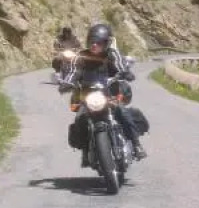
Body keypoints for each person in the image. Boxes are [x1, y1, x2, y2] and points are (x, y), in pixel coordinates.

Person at [60, 23, 147, 165]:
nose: (94, 45)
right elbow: (73, 71)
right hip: (88, 95)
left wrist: (125, 72)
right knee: (80, 119)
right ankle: (85, 151)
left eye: (99, 42)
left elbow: (119, 64)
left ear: (106, 43)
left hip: (109, 93)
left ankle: (136, 144)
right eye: (92, 42)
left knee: (122, 112)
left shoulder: (112, 54)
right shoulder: (81, 56)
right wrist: (67, 83)